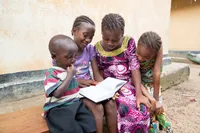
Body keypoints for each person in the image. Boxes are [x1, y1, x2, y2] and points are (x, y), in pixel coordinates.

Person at [95, 13, 150, 133]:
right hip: (110, 88)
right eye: (106, 39)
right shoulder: (97, 48)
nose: (110, 43)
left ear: (122, 34)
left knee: (141, 109)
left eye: (114, 40)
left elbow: (134, 67)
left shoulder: (129, 42)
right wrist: (105, 90)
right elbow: (99, 72)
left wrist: (139, 94)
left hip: (128, 84)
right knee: (123, 108)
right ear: (101, 34)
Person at [43, 35, 96, 133]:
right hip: (58, 108)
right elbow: (57, 94)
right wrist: (70, 76)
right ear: (54, 57)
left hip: (75, 104)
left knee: (90, 123)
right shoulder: (52, 73)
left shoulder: (69, 70)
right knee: (69, 128)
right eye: (68, 57)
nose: (73, 60)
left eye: (75, 56)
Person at [136, 31, 172, 133]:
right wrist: (152, 100)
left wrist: (156, 100)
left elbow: (156, 73)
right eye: (138, 54)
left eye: (146, 58)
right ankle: (152, 126)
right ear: (137, 45)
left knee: (157, 106)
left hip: (152, 81)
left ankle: (163, 124)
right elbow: (136, 78)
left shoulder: (158, 48)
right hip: (140, 82)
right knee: (148, 107)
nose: (140, 58)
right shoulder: (133, 49)